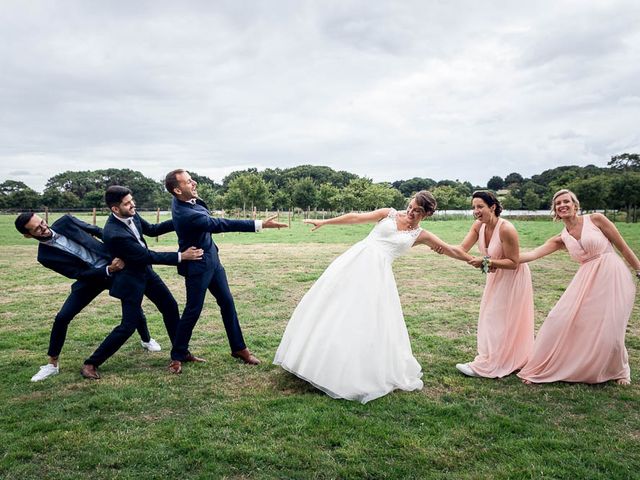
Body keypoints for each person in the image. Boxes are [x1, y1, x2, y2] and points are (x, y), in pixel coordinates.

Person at [273, 191, 471, 404]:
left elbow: (451, 250)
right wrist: (325, 222)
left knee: (364, 319)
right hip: (354, 263)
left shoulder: (421, 235)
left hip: (378, 276)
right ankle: (314, 361)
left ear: (427, 214)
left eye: (418, 211)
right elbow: (356, 217)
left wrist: (477, 261)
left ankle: (352, 370)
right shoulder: (389, 214)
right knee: (334, 309)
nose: (411, 212)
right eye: (411, 207)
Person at [164, 169, 288, 374]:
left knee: (228, 303)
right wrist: (260, 224)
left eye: (192, 179)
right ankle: (178, 355)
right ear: (177, 190)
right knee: (193, 310)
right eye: (188, 182)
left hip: (213, 261)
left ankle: (239, 349)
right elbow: (220, 223)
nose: (194, 183)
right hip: (196, 266)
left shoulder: (187, 201)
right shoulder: (186, 214)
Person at [14, 212, 162, 382]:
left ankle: (146, 339)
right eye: (37, 229)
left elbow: (99, 231)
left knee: (131, 303)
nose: (44, 228)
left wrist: (118, 252)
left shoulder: (66, 221)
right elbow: (76, 273)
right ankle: (52, 364)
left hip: (115, 266)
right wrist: (107, 270)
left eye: (42, 222)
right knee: (62, 317)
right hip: (91, 278)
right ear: (28, 235)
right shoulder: (45, 256)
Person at [517, 189, 640, 385]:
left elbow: (623, 246)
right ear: (555, 211)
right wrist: (498, 260)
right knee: (558, 318)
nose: (562, 205)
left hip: (611, 273)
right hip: (586, 278)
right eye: (558, 204)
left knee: (610, 325)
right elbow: (532, 254)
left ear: (575, 205)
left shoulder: (596, 220)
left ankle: (619, 371)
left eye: (566, 201)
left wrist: (639, 270)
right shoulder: (561, 238)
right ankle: (548, 367)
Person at [81, 186, 203, 379]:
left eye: (132, 200)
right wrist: (182, 256)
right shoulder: (114, 233)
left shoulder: (133, 215)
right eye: (127, 203)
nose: (133, 205)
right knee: (128, 325)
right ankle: (91, 363)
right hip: (130, 279)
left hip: (146, 273)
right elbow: (146, 255)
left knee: (170, 307)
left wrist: (182, 219)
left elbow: (152, 230)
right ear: (115, 209)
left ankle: (181, 352)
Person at [450, 191, 534, 378]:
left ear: (493, 207)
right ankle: (494, 358)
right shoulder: (478, 226)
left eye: (480, 207)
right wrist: (440, 246)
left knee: (498, 319)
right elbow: (462, 249)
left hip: (513, 278)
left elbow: (513, 262)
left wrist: (487, 262)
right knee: (491, 316)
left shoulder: (506, 229)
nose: (476, 211)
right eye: (474, 207)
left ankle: (489, 365)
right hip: (495, 277)